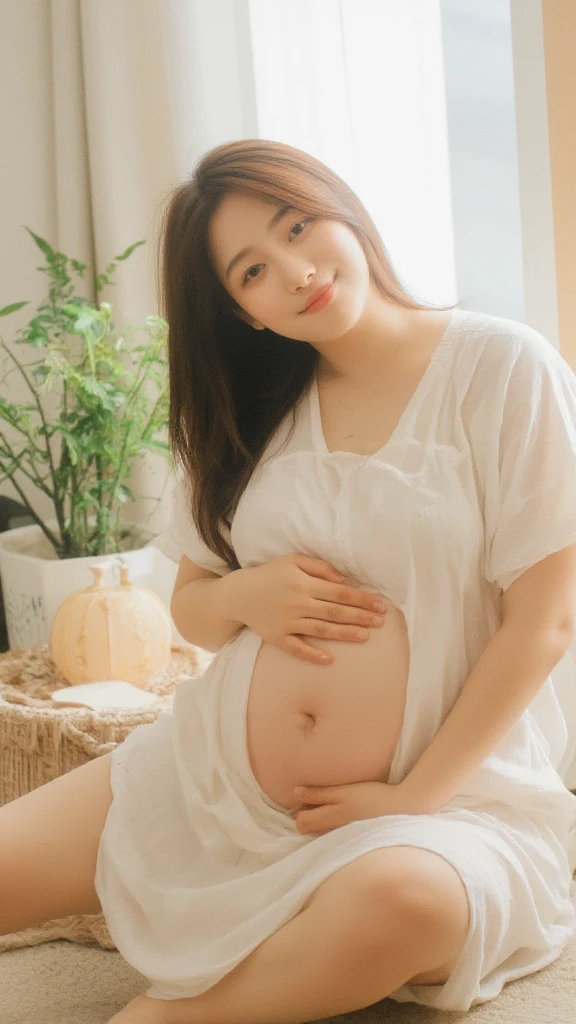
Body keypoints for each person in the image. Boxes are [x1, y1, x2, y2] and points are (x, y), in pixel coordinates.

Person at [2, 139, 576, 1024]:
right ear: (245, 313)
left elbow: (545, 623)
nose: (299, 271)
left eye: (300, 226)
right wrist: (244, 596)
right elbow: (192, 604)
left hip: (451, 802)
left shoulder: (501, 367)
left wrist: (408, 798)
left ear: (342, 208)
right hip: (208, 773)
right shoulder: (254, 407)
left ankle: (164, 1017)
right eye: (254, 271)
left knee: (404, 905)